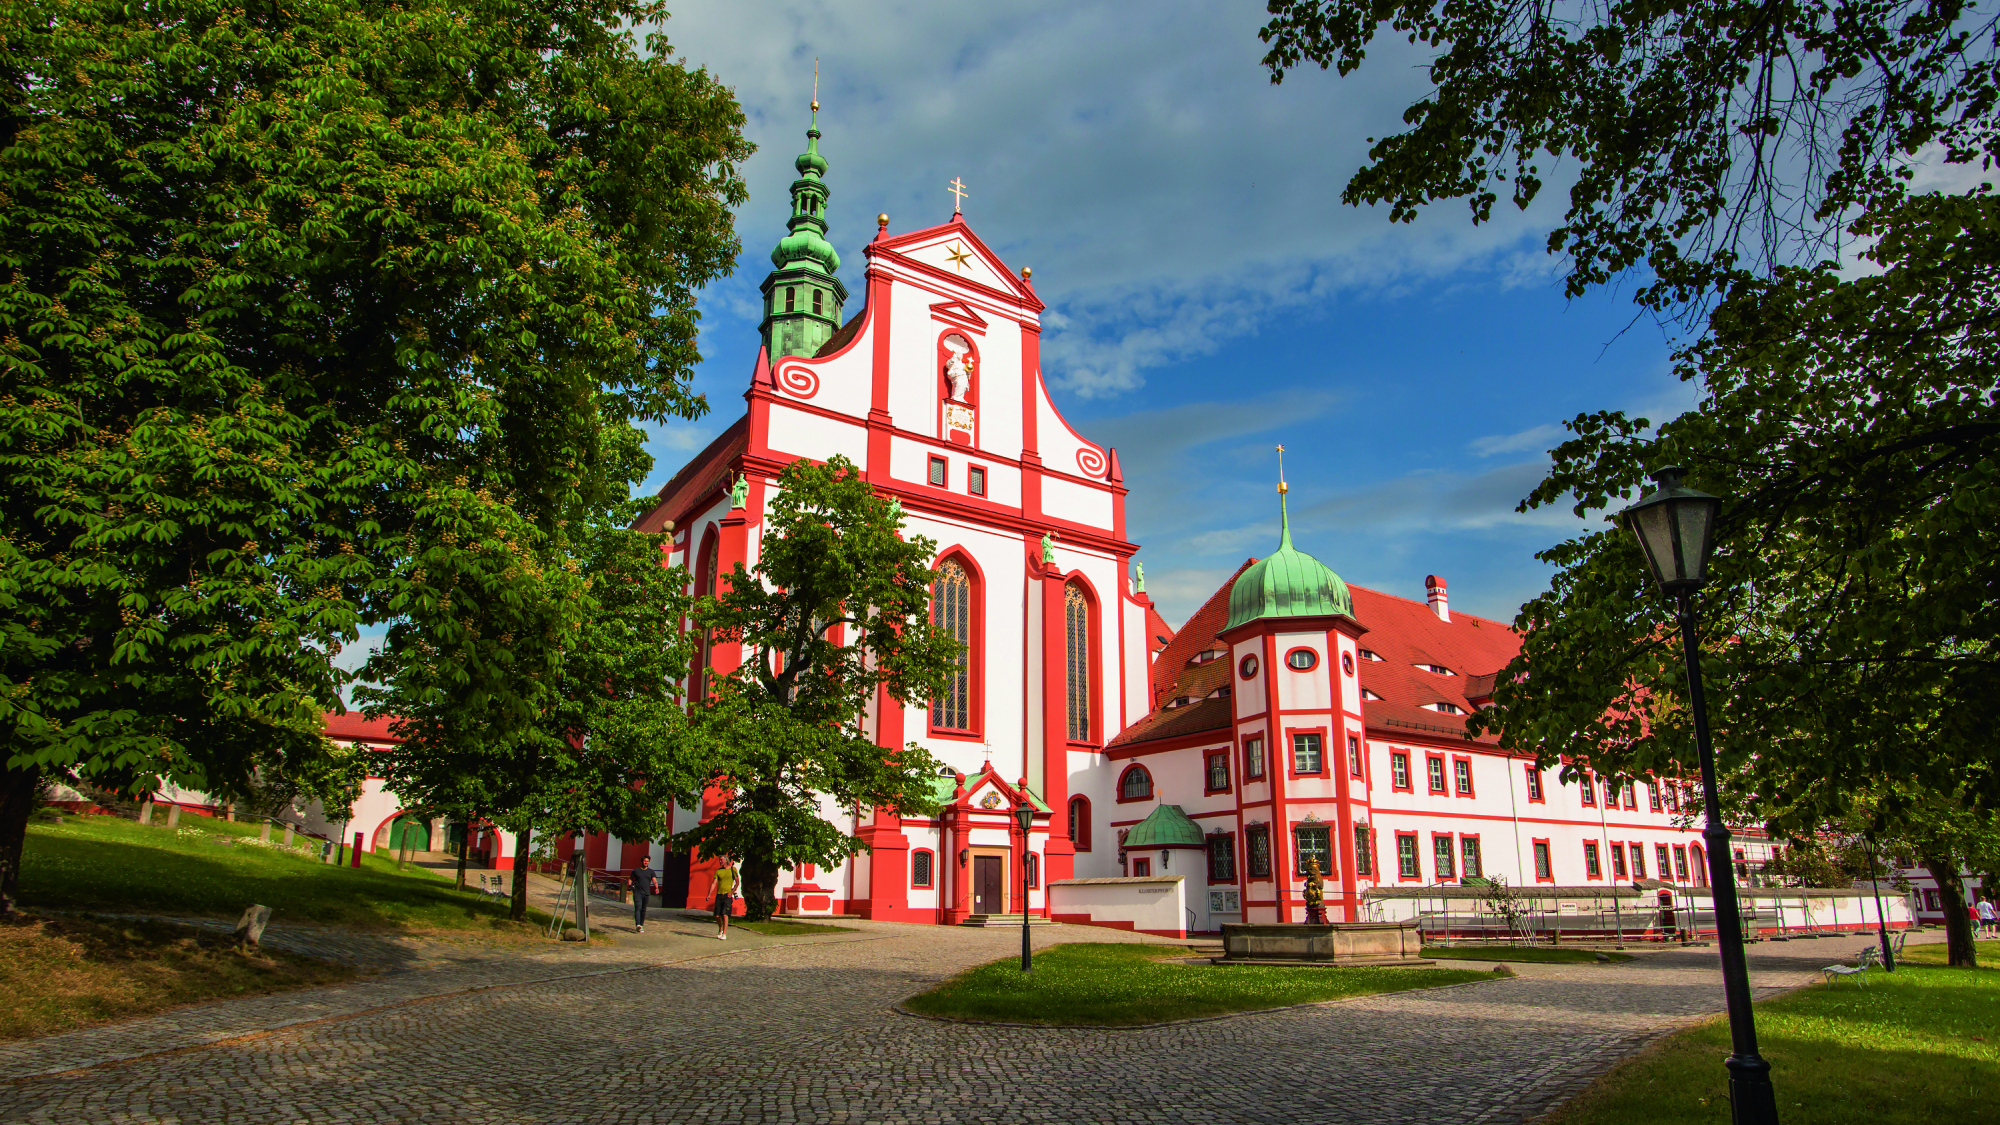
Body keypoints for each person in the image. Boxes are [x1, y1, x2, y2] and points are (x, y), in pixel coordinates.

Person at [629, 855, 658, 933]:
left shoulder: (651, 871)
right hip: (637, 892)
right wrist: (630, 886)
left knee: (643, 910)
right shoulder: (636, 871)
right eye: (645, 861)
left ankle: (641, 925)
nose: (646, 862)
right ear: (642, 861)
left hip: (646, 893)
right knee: (638, 908)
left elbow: (654, 880)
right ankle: (638, 924)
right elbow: (630, 879)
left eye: (647, 861)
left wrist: (656, 888)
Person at [713, 859, 739, 940]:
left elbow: (737, 882)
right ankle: (720, 928)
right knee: (717, 915)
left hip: (727, 895)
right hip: (719, 895)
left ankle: (724, 933)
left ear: (726, 860)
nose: (720, 861)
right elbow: (714, 883)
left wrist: (732, 892)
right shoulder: (718, 871)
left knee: (725, 914)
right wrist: (709, 894)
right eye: (719, 860)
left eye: (721, 860)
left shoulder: (732, 869)